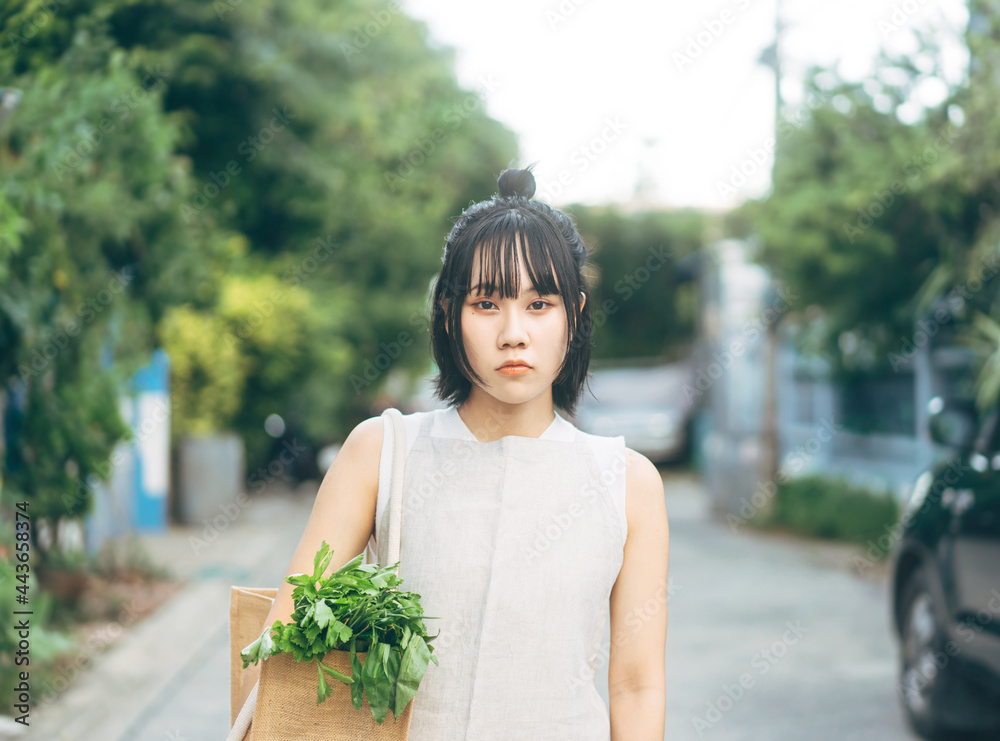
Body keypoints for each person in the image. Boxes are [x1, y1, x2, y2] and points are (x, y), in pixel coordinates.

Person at [237, 166, 669, 740]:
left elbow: (636, 686)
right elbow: (287, 637)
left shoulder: (625, 482)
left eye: (540, 304)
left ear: (576, 314)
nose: (513, 332)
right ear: (448, 313)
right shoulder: (383, 451)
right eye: (487, 304)